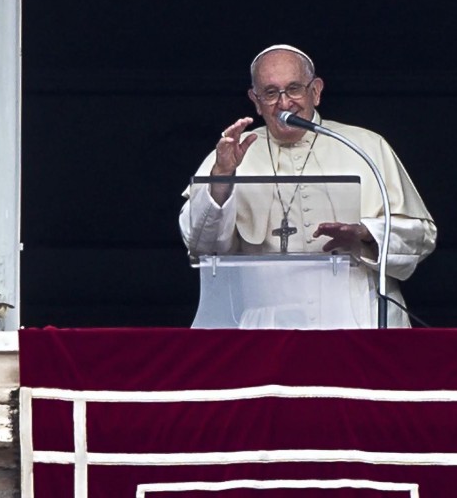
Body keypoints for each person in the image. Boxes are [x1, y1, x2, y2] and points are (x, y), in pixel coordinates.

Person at [179, 44, 436, 329]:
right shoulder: (232, 154)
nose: (284, 103)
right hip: (268, 327)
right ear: (255, 100)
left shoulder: (365, 146)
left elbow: (421, 237)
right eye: (271, 93)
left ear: (315, 91)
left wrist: (365, 235)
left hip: (357, 319)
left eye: (294, 89)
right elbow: (202, 245)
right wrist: (222, 176)